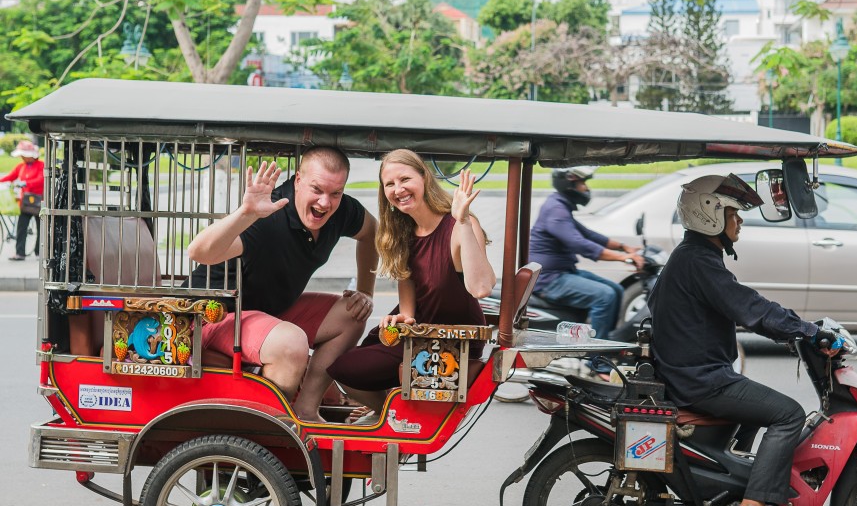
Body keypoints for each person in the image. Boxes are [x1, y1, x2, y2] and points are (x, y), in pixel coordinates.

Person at [648, 173, 840, 506]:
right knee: (788, 414)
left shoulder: (693, 258)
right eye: (733, 213)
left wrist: (794, 330)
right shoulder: (698, 262)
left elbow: (743, 307)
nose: (740, 221)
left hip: (693, 374)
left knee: (755, 406)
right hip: (700, 380)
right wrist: (808, 332)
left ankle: (735, 489)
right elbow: (750, 307)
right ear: (710, 214)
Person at [187, 146, 378, 423]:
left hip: (269, 314)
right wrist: (246, 212)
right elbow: (198, 252)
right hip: (214, 317)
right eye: (317, 189)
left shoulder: (342, 210)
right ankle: (269, 429)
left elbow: (372, 233)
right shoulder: (269, 216)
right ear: (298, 180)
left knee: (354, 312)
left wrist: (366, 291)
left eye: (335, 193)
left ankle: (306, 411)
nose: (325, 203)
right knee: (290, 343)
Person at [328, 149, 496, 421]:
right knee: (343, 366)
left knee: (346, 369)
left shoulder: (459, 224)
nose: (398, 189)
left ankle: (391, 415)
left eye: (405, 179)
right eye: (390, 184)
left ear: (424, 178)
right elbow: (408, 310)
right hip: (419, 332)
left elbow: (481, 288)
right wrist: (400, 319)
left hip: (449, 342)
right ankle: (389, 410)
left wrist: (464, 221)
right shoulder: (403, 233)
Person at [529, 166, 644, 338]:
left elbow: (588, 234)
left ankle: (607, 340)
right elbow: (579, 243)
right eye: (582, 183)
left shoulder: (560, 205)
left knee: (616, 289)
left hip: (563, 272)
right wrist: (623, 257)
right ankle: (596, 349)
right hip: (549, 279)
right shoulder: (556, 210)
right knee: (605, 296)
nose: (586, 188)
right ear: (568, 185)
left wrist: (623, 246)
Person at [1, 140, 45, 261]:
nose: (23, 157)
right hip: (25, 203)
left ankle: (39, 252)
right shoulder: (21, 167)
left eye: (24, 155)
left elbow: (41, 180)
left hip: (39, 202)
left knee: (41, 228)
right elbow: (10, 176)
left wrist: (25, 183)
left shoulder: (41, 165)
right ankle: (20, 253)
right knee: (21, 227)